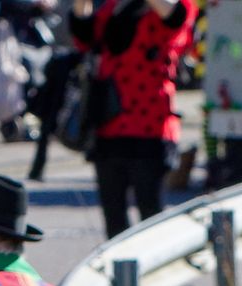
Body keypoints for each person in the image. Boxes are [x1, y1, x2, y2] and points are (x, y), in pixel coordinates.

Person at [70, 0, 192, 239]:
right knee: (114, 220)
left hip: (150, 128)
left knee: (151, 214)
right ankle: (120, 265)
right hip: (109, 125)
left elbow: (174, 17)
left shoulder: (173, 6)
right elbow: (84, 35)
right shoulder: (112, 7)